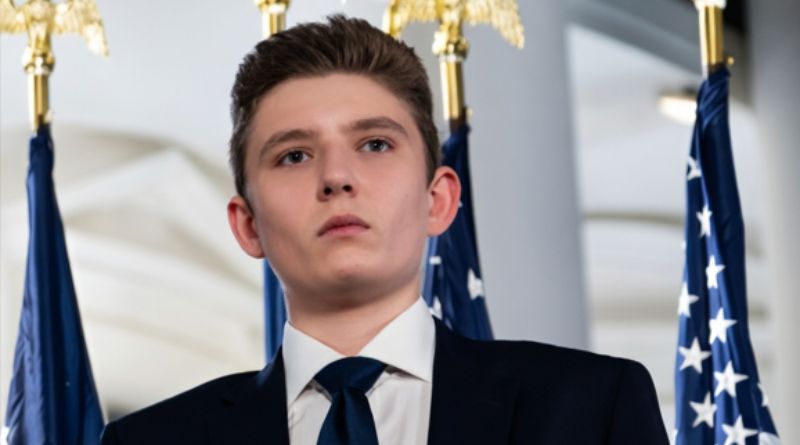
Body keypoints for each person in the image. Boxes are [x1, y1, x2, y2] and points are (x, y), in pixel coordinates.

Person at [100, 15, 669, 445]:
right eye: (294, 155)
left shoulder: (591, 407)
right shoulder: (150, 440)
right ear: (247, 225)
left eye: (374, 144)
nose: (336, 177)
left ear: (437, 200)